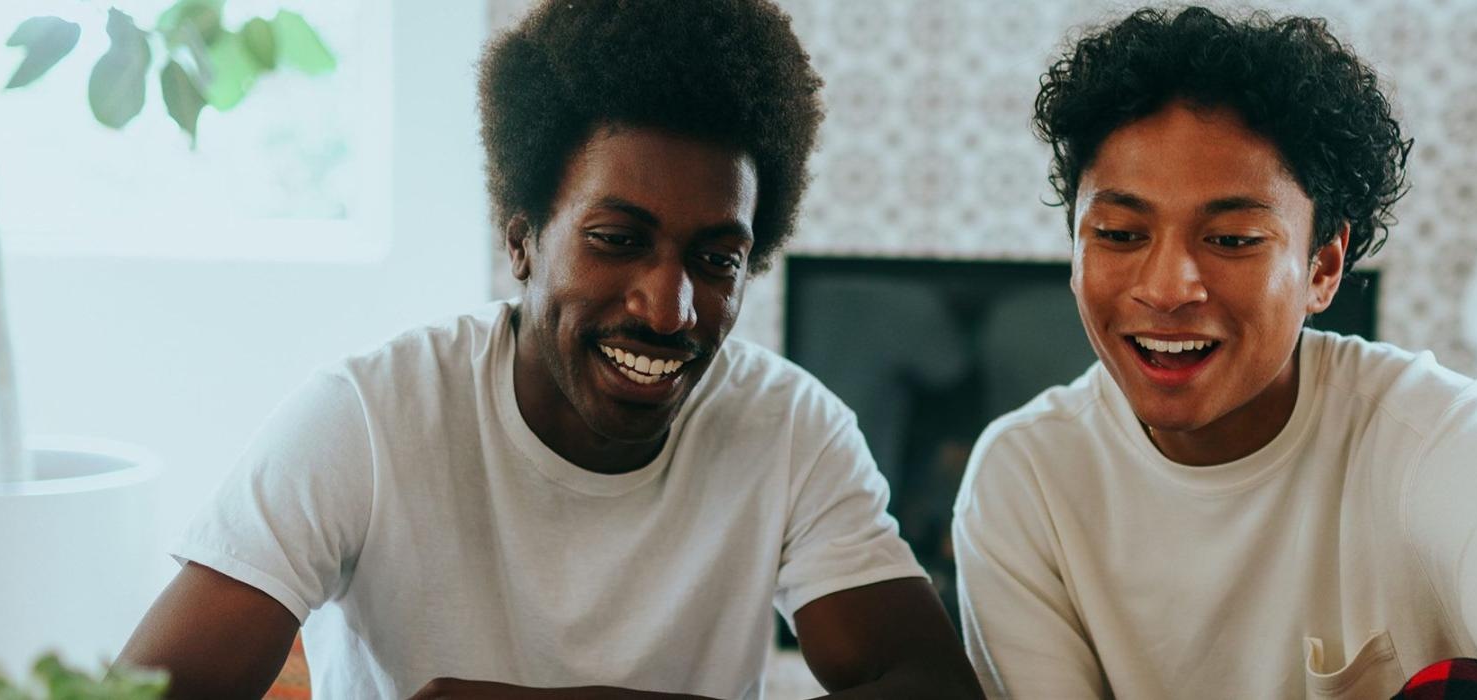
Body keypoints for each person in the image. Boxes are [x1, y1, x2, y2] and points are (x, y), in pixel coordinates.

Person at [116, 1, 982, 698]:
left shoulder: (790, 427)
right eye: (616, 239)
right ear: (523, 240)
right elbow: (151, 693)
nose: (670, 307)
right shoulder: (369, 417)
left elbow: (926, 685)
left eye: (717, 260)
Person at [950, 6, 1477, 699]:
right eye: (1118, 234)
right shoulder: (1025, 482)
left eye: (1232, 240)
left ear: (1323, 269)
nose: (1167, 287)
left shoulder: (1442, 442)